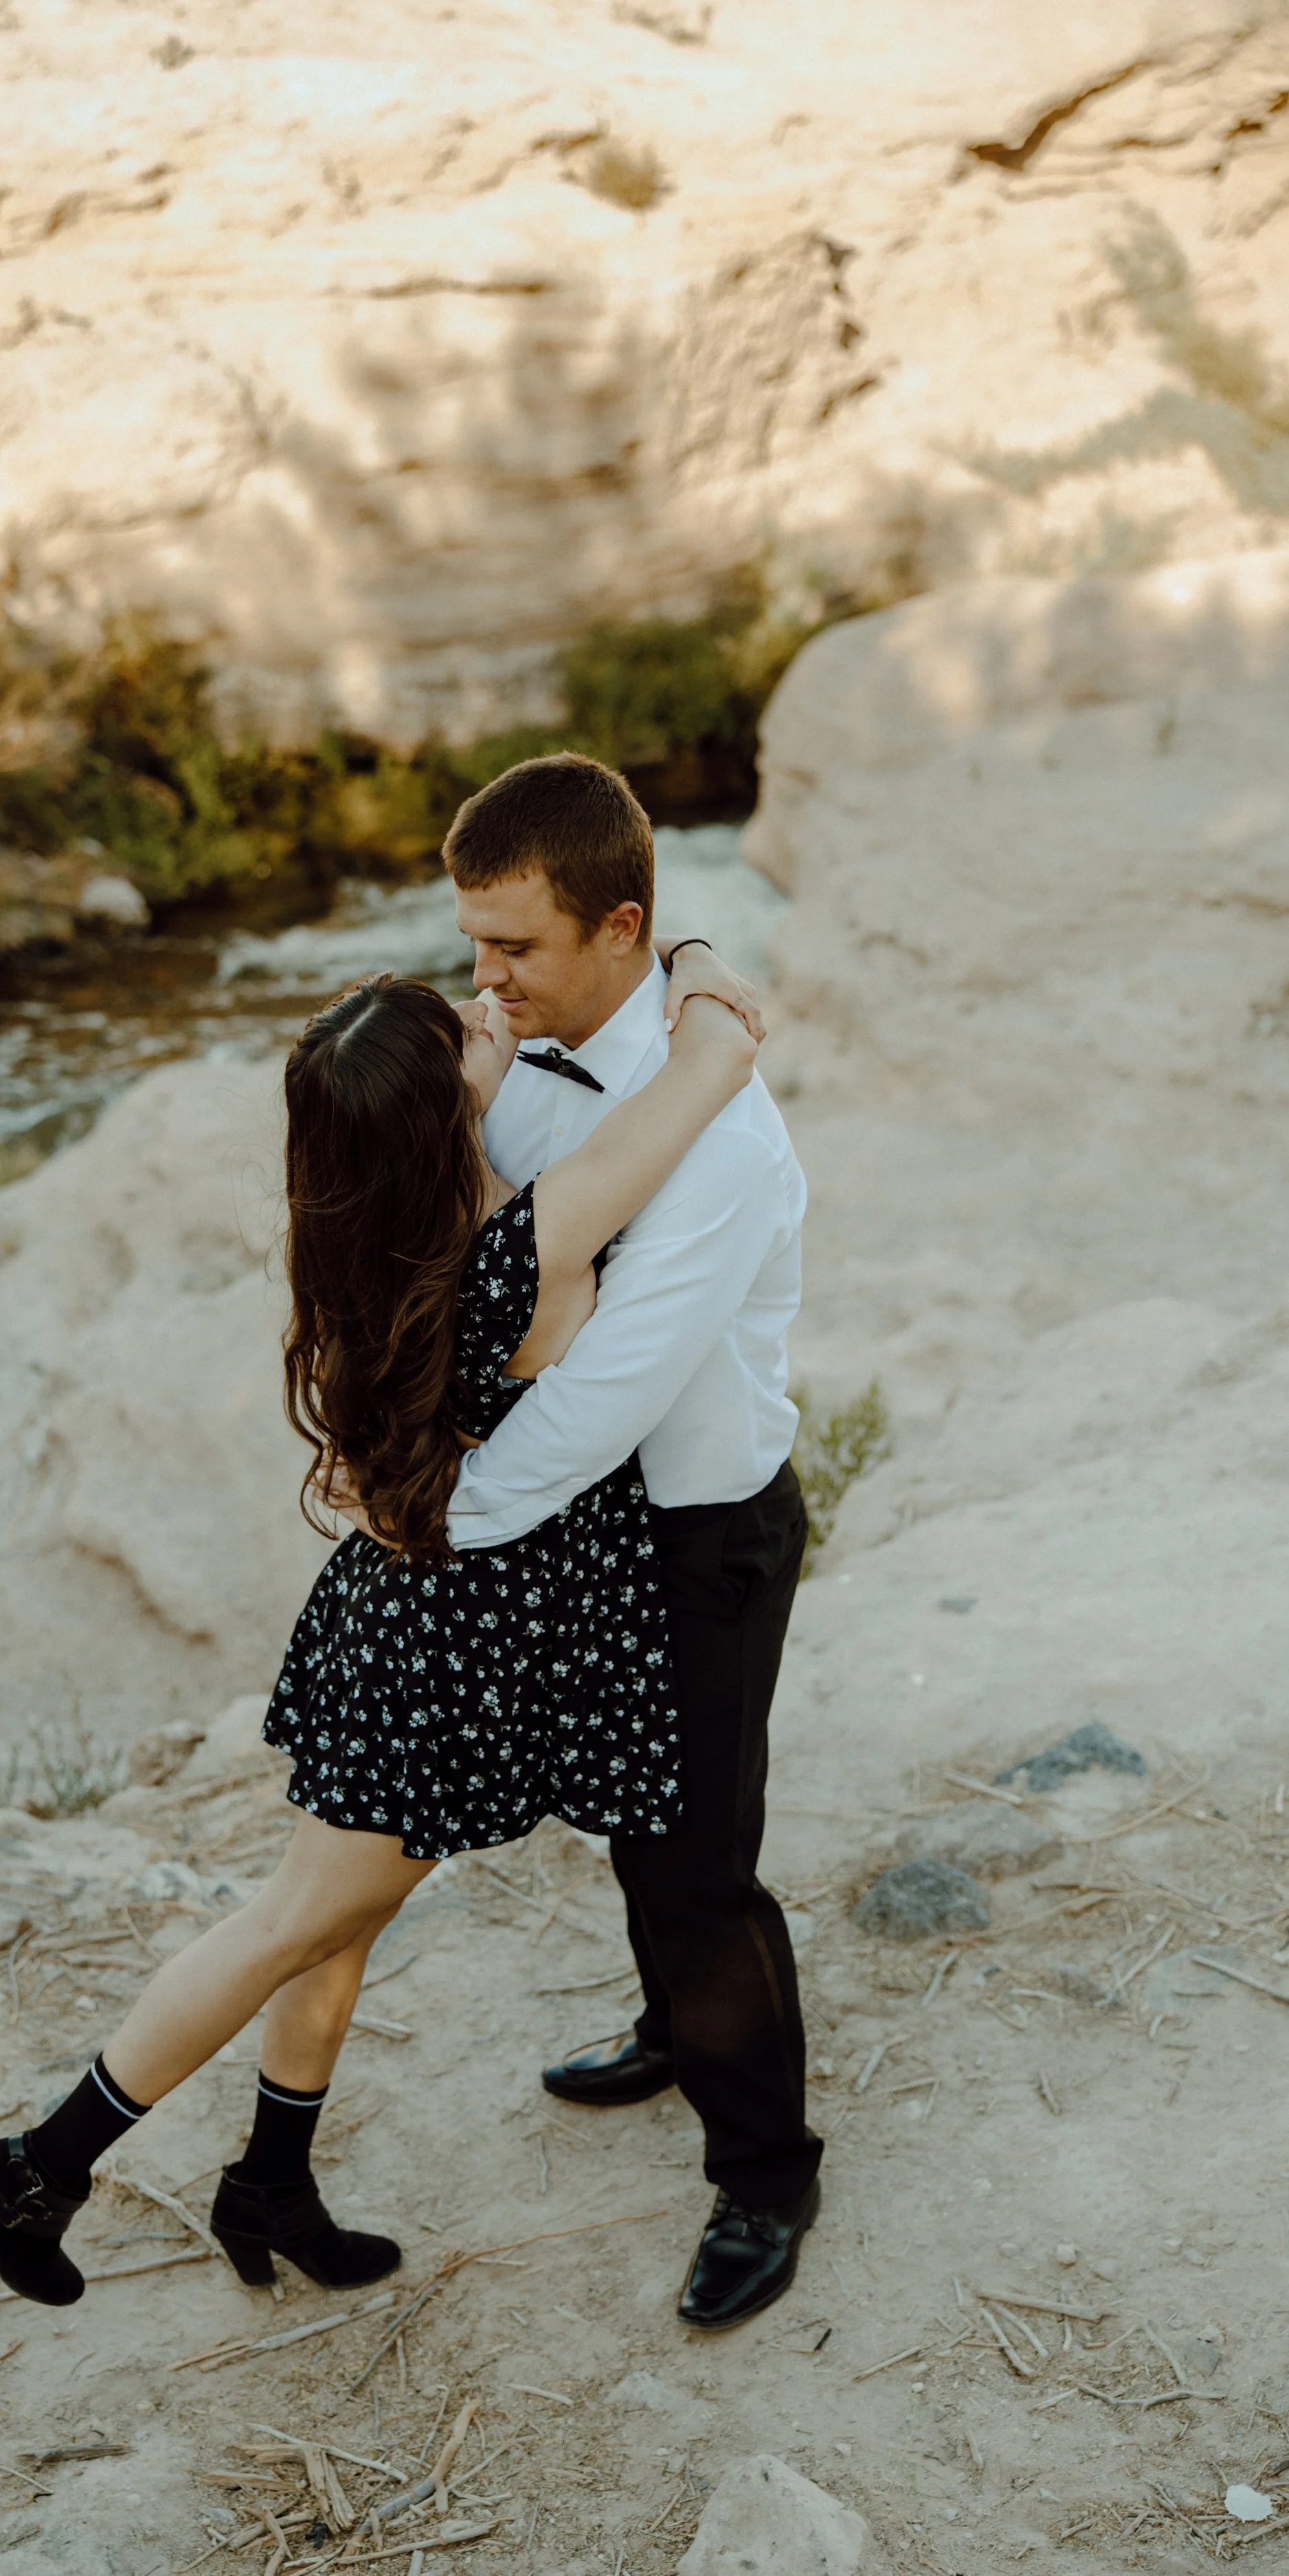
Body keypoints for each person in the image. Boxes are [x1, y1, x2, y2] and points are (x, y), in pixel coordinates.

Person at [0, 933, 759, 2306]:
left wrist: (477, 1062)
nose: (484, 1007)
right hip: (449, 1654)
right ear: (445, 1115)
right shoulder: (531, 1234)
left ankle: (271, 2181)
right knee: (288, 1920)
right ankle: (43, 2159)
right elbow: (718, 1055)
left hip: (395, 1624)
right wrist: (680, 946)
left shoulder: (357, 1238)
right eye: (461, 1028)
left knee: (337, 1926)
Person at [443, 750, 821, 2334]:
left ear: (615, 926)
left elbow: (603, 1396)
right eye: (470, 944)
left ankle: (765, 2169)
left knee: (696, 1858)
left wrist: (442, 1521)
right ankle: (671, 2025)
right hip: (597, 1529)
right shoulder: (529, 1044)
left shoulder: (722, 1147)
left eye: (513, 948)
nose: (483, 979)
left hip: (702, 1530)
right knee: (624, 1814)